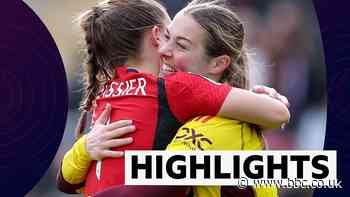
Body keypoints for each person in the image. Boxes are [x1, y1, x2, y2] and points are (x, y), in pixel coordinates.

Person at [56, 0, 289, 196]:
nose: (164, 50)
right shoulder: (156, 99)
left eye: (181, 45)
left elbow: (164, 184)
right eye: (167, 37)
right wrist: (86, 147)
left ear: (218, 63)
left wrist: (268, 100)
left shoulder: (213, 119)